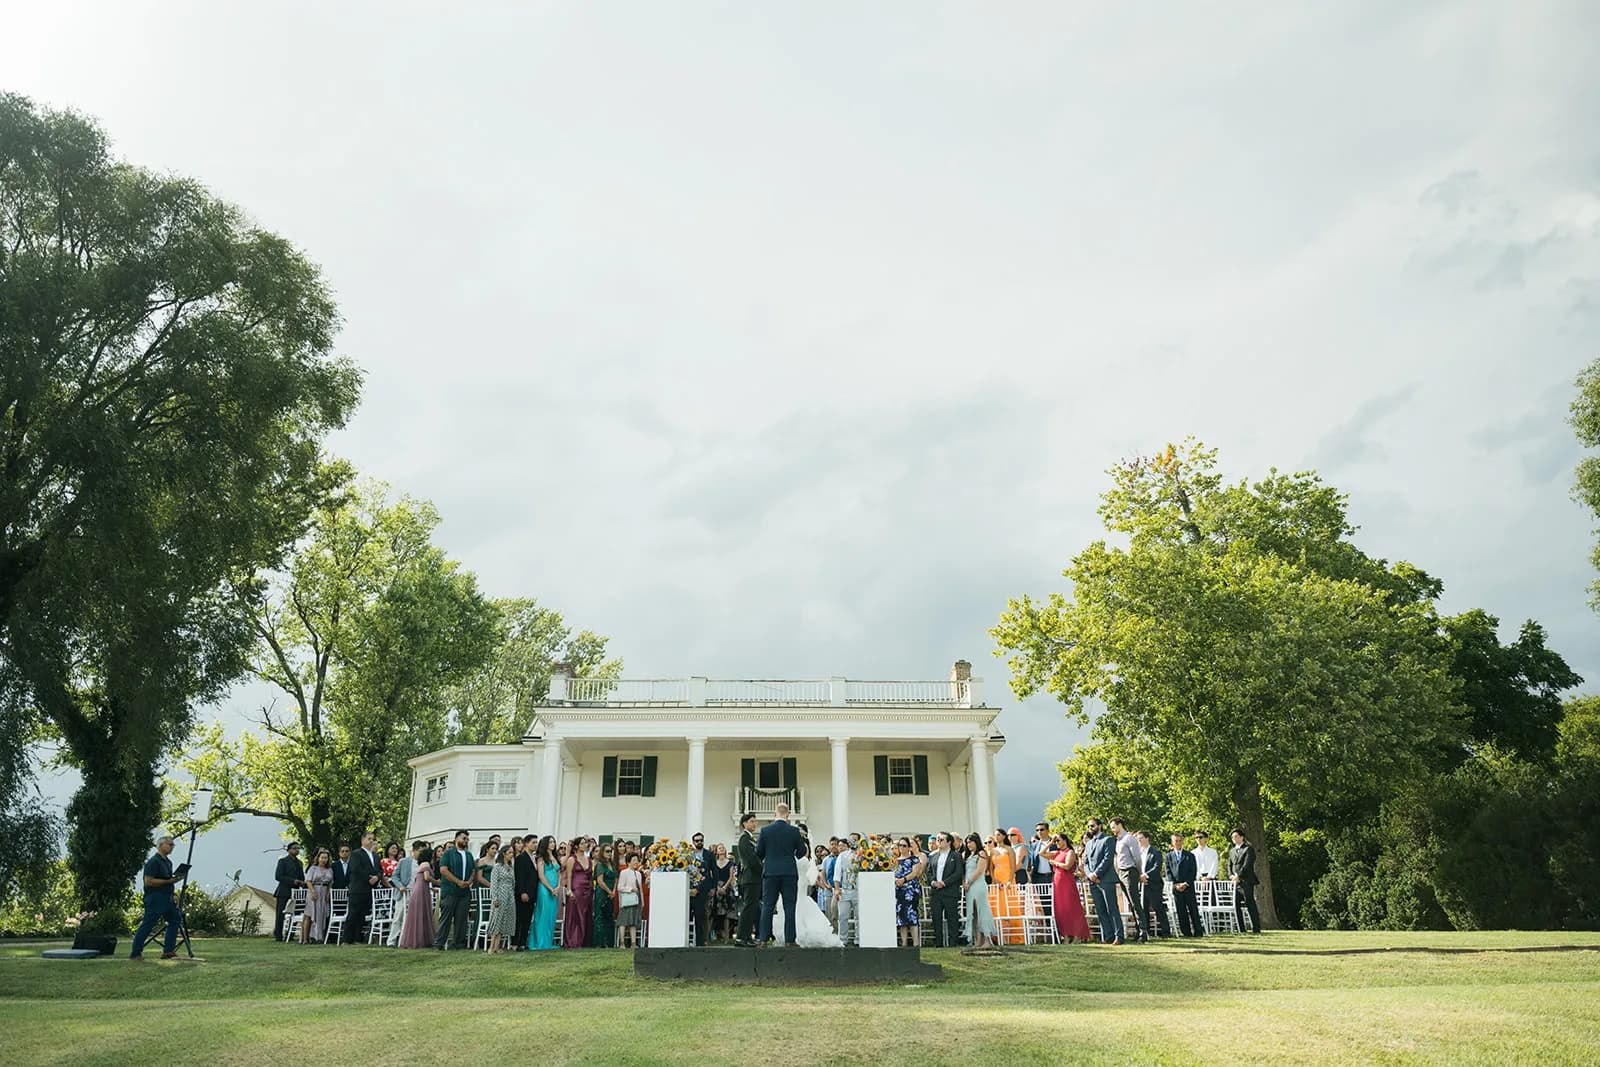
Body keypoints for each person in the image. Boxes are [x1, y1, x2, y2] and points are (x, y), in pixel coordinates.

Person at [771, 829, 843, 948]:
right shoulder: (805, 861)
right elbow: (812, 879)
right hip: (802, 890)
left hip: (792, 889)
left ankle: (791, 936)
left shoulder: (790, 859)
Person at [756, 801, 807, 946]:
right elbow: (801, 852)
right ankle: (790, 940)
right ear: (788, 815)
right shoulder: (794, 831)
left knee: (767, 906)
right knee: (789, 906)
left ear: (774, 814)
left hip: (771, 872)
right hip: (789, 872)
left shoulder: (765, 831)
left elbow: (758, 852)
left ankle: (763, 939)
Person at [129, 836, 186, 960]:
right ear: (161, 845)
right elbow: (148, 881)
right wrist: (168, 881)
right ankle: (135, 953)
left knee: (175, 919)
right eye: (169, 844)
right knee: (148, 924)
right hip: (155, 897)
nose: (172, 847)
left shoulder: (168, 862)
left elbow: (168, 879)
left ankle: (168, 951)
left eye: (173, 845)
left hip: (167, 898)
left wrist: (173, 892)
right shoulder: (153, 862)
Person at [1081, 818, 1122, 945]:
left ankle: (1118, 936)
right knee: (1100, 910)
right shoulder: (1088, 844)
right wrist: (1089, 874)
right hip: (1093, 881)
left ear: (1099, 826)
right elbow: (1085, 862)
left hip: (1106, 880)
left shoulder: (1108, 840)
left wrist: (1096, 873)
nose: (1090, 828)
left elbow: (1107, 859)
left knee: (1112, 909)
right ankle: (1108, 936)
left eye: (1092, 826)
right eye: (1088, 826)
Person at [434, 830, 475, 950]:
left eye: (467, 839)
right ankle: (439, 943)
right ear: (456, 839)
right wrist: (458, 881)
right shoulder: (448, 854)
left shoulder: (468, 855)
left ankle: (458, 943)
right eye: (463, 838)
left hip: (464, 892)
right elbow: (443, 870)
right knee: (446, 918)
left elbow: (473, 870)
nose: (466, 841)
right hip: (450, 890)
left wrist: (469, 881)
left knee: (461, 918)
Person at [1049, 833, 1091, 943]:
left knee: (1072, 908)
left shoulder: (1070, 852)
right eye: (1056, 841)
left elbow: (1067, 866)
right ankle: (1066, 936)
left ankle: (1077, 935)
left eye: (1058, 840)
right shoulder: (1057, 852)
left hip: (1067, 881)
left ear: (1065, 840)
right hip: (1057, 882)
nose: (1057, 843)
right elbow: (1041, 853)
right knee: (1061, 910)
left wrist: (1055, 863)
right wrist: (1050, 842)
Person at [1111, 818, 1147, 943]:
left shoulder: (1129, 838)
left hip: (1130, 871)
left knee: (1135, 901)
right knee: (1131, 903)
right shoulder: (1118, 841)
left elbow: (1137, 857)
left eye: (1113, 827)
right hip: (1121, 872)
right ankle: (1138, 930)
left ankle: (1143, 931)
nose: (1112, 830)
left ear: (1120, 825)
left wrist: (1140, 872)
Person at [343, 831, 381, 945]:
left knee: (362, 915)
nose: (371, 841)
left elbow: (380, 870)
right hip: (358, 888)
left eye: (372, 839)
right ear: (363, 840)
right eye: (369, 839)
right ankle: (347, 939)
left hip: (370, 889)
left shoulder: (375, 856)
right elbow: (356, 869)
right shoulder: (356, 854)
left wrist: (377, 877)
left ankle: (357, 938)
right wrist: (368, 878)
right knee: (353, 913)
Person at [926, 832, 963, 948]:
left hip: (950, 892)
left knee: (952, 918)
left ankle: (953, 943)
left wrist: (944, 883)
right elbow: (929, 872)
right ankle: (939, 943)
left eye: (941, 839)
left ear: (949, 842)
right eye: (937, 839)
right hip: (936, 892)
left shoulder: (955, 856)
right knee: (936, 918)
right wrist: (933, 882)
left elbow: (958, 873)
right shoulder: (933, 856)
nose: (939, 842)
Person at [962, 833, 997, 950]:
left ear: (976, 842)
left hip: (978, 885)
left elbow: (979, 870)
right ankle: (978, 940)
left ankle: (987, 939)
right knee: (974, 914)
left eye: (971, 842)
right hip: (969, 887)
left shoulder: (981, 854)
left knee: (982, 911)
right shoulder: (967, 856)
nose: (969, 844)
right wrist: (965, 883)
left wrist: (969, 881)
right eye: (967, 842)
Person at [733, 812, 763, 945]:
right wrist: (763, 869)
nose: (755, 824)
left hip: (754, 878)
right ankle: (741, 936)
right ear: (744, 823)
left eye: (755, 821)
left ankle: (747, 936)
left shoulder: (751, 838)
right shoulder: (744, 839)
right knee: (748, 908)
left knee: (752, 908)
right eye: (752, 821)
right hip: (750, 878)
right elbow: (751, 860)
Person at [398, 843, 436, 949]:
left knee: (419, 913)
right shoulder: (426, 864)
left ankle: (420, 939)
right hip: (421, 890)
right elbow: (427, 877)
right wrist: (437, 882)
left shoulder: (421, 864)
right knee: (420, 913)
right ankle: (419, 940)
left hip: (420, 888)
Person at [1166, 833, 1204, 938]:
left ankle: (1198, 931)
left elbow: (1193, 871)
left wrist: (1185, 883)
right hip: (1177, 888)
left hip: (1188, 887)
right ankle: (1186, 932)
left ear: (1182, 841)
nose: (1178, 843)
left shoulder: (1189, 855)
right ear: (1172, 843)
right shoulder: (1169, 856)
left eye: (1179, 841)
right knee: (1181, 911)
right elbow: (1168, 872)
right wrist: (1175, 884)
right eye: (1175, 841)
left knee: (1193, 909)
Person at [1136, 831, 1173, 938]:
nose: (1139, 841)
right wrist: (1139, 877)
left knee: (1158, 908)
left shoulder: (1155, 852)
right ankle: (1145, 932)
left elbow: (1157, 868)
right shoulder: (1138, 853)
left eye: (1141, 838)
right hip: (1142, 885)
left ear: (1147, 838)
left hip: (1153, 885)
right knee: (1143, 909)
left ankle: (1166, 933)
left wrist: (1145, 876)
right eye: (1138, 839)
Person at [987, 829, 1020, 944]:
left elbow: (1013, 867)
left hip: (1007, 878)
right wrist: (994, 880)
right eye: (995, 835)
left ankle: (1013, 937)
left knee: (1009, 906)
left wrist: (1010, 880)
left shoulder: (1009, 849)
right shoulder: (993, 851)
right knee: (997, 907)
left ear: (1004, 836)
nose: (997, 837)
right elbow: (990, 868)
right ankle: (999, 936)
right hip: (997, 878)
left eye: (999, 835)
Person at [529, 835, 561, 949]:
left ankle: (548, 941)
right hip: (544, 888)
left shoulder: (555, 857)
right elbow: (541, 876)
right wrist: (550, 888)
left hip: (555, 889)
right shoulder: (541, 858)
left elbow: (559, 873)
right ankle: (539, 941)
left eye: (554, 842)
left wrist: (558, 886)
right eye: (551, 842)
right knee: (542, 914)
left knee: (551, 915)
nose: (553, 844)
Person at [1230, 828, 1262, 934]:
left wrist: (1239, 875)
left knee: (1249, 903)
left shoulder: (1248, 849)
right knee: (1236, 904)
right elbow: (1229, 865)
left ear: (1242, 837)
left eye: (1236, 836)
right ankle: (1241, 928)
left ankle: (1256, 928)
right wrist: (1232, 876)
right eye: (1233, 837)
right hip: (1235, 882)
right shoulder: (1232, 850)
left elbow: (1247, 865)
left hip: (1246, 881)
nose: (1234, 839)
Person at [486, 845, 517, 954]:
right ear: (504, 853)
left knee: (504, 920)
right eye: (510, 853)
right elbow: (493, 884)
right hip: (500, 894)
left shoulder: (510, 867)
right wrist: (495, 898)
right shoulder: (497, 867)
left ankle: (497, 947)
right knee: (497, 919)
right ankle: (491, 947)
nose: (512, 855)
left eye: (512, 853)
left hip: (509, 895)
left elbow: (513, 883)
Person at [563, 836, 593, 948]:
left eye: (586, 843)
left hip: (587, 889)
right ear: (576, 846)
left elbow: (590, 876)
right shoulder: (572, 859)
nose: (585, 845)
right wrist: (569, 890)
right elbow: (569, 875)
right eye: (582, 843)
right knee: (575, 915)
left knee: (585, 914)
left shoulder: (589, 860)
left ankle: (584, 940)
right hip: (576, 888)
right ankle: (573, 940)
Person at [272, 842, 305, 941]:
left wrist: (301, 883)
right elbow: (278, 876)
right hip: (284, 890)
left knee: (296, 912)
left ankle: (290, 934)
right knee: (280, 914)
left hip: (296, 891)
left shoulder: (299, 863)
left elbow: (301, 876)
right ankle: (278, 935)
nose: (297, 850)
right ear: (289, 850)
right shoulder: (283, 861)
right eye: (294, 848)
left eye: (298, 848)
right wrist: (292, 881)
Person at [893, 837, 922, 947]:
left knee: (912, 916)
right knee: (901, 918)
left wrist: (903, 879)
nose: (901, 848)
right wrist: (896, 880)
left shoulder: (914, 859)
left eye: (904, 845)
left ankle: (915, 943)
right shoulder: (895, 860)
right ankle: (904, 942)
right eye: (900, 845)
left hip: (910, 890)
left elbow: (915, 873)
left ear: (909, 847)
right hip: (898, 891)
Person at [386, 840, 417, 945]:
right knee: (398, 917)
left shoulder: (423, 864)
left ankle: (406, 940)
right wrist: (400, 886)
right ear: (414, 850)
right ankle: (391, 941)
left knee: (412, 918)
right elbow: (395, 876)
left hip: (416, 893)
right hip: (403, 893)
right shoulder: (404, 861)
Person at [302, 848, 335, 943]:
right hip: (314, 890)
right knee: (310, 914)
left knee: (322, 914)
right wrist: (313, 892)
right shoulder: (313, 868)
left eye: (326, 858)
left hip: (324, 891)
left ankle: (319, 937)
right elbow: (308, 881)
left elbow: (330, 883)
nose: (324, 860)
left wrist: (328, 894)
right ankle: (305, 939)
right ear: (318, 858)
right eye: (322, 857)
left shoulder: (329, 870)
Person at [593, 841, 619, 949]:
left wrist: (613, 891)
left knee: (609, 917)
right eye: (607, 851)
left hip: (611, 893)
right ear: (602, 853)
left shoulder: (612, 864)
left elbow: (616, 878)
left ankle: (609, 941)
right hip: (602, 893)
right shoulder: (600, 865)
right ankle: (600, 942)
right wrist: (609, 891)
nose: (609, 853)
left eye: (611, 851)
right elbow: (600, 881)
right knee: (600, 916)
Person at [514, 836, 537, 949]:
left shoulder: (534, 858)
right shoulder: (521, 858)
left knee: (527, 918)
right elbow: (520, 877)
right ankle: (516, 942)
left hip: (532, 893)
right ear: (526, 844)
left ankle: (523, 942)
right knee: (520, 918)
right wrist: (522, 892)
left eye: (536, 842)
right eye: (533, 842)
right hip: (524, 893)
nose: (535, 845)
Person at [833, 837, 858, 945]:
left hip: (857, 890)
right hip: (845, 889)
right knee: (843, 915)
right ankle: (843, 939)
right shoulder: (842, 856)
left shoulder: (861, 856)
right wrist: (837, 889)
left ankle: (858, 938)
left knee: (859, 916)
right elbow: (837, 873)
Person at [617, 854, 643, 948]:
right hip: (627, 900)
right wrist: (630, 889)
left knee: (633, 922)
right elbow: (620, 887)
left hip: (636, 900)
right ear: (628, 862)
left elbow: (640, 889)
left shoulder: (638, 874)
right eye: (634, 860)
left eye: (637, 860)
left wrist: (642, 901)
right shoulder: (624, 872)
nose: (636, 862)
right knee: (623, 921)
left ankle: (633, 943)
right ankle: (622, 942)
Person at [1028, 822, 1053, 887]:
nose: (1039, 832)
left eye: (1042, 829)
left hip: (1053, 876)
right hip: (1039, 877)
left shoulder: (1055, 843)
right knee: (1042, 897)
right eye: (1037, 830)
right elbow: (1033, 862)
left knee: (1056, 897)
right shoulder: (1035, 845)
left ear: (1048, 831)